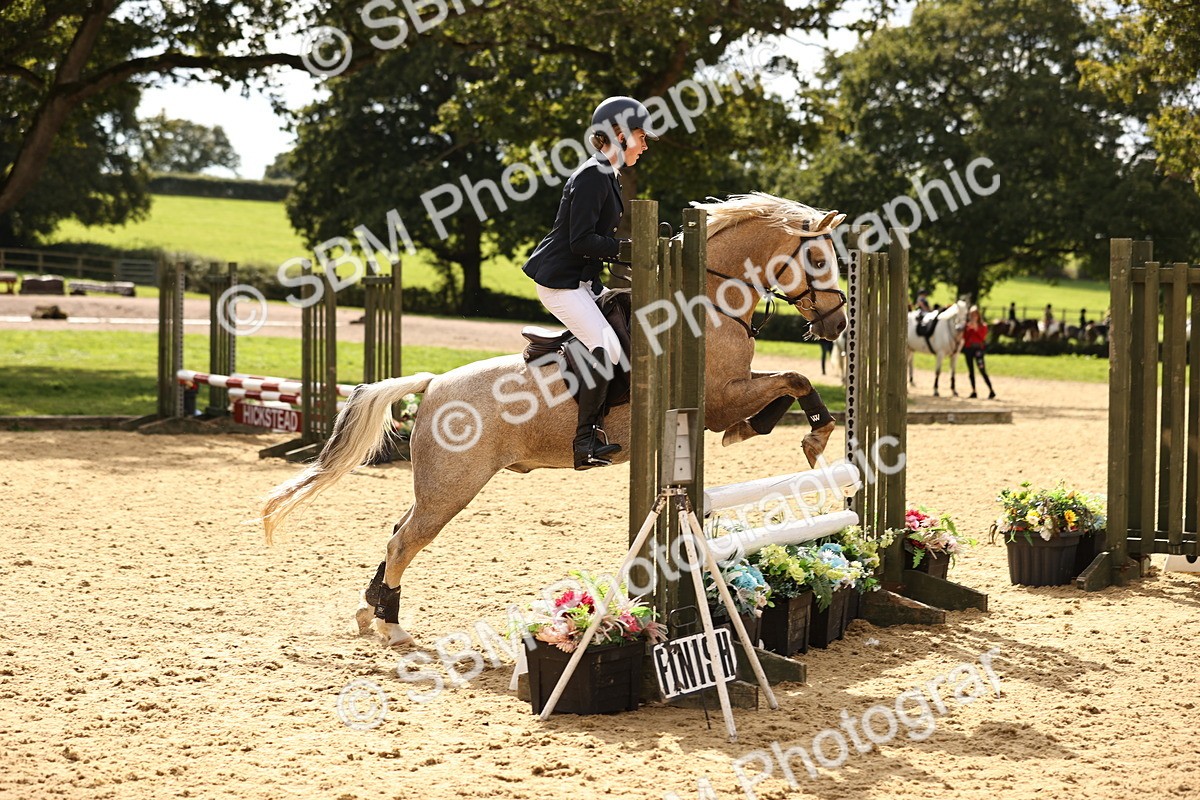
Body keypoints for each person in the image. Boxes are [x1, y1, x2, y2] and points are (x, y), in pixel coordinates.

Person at [522, 95, 658, 470]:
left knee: (624, 330)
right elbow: (580, 240)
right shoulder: (592, 175)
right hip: (560, 284)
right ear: (618, 133)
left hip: (582, 281)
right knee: (606, 347)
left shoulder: (609, 174)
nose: (645, 144)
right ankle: (584, 442)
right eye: (641, 136)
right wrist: (633, 249)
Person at [962, 306, 995, 399]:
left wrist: (976, 328)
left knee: (982, 370)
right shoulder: (967, 326)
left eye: (975, 314)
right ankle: (974, 391)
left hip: (978, 350)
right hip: (969, 349)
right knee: (971, 371)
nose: (973, 316)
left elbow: (982, 338)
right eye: (971, 314)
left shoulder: (983, 326)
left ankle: (991, 390)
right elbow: (965, 338)